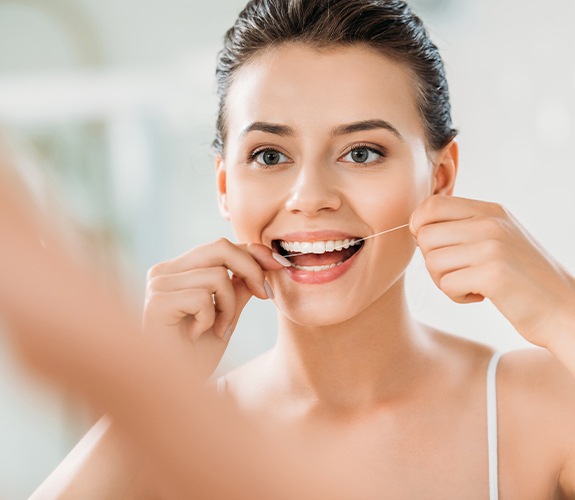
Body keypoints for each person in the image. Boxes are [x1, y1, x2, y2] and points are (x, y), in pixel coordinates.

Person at [31, 0, 575, 498]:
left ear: (439, 176)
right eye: (269, 156)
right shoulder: (179, 442)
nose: (310, 198)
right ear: (225, 186)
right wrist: (149, 395)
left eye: (361, 152)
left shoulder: (542, 407)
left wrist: (562, 311)